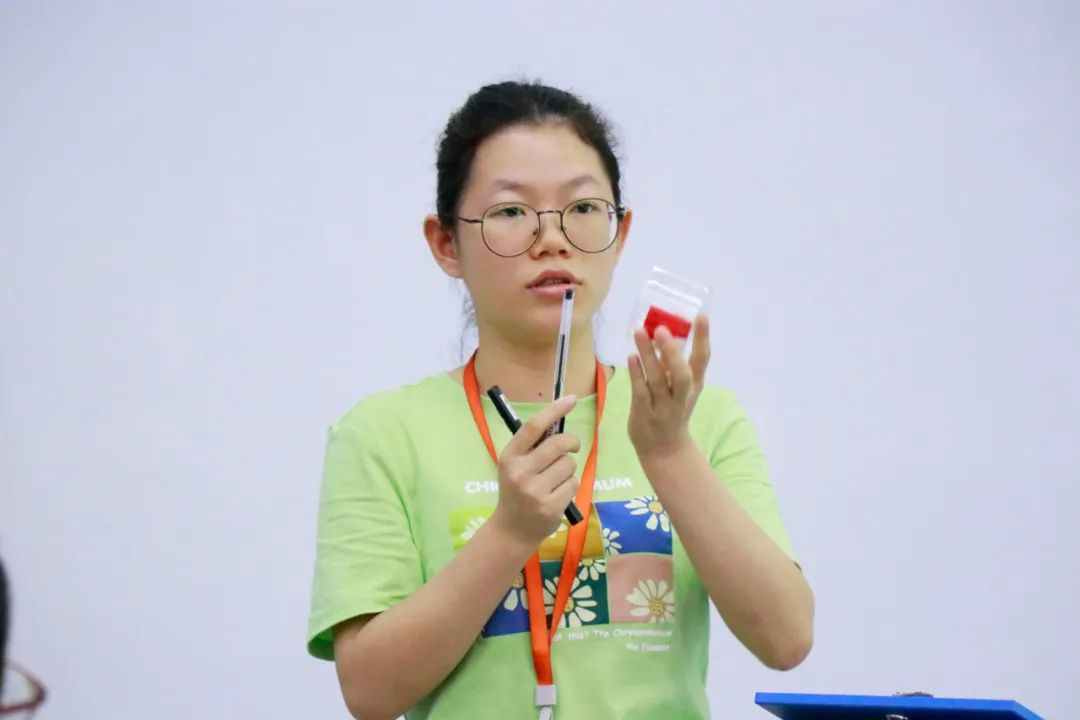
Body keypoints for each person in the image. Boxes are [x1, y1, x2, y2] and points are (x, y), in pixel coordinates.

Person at [307, 80, 815, 720]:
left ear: (620, 232)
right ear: (446, 244)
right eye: (510, 212)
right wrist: (509, 532)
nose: (552, 238)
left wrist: (668, 454)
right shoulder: (384, 432)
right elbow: (370, 693)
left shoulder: (697, 418)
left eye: (583, 207)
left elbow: (785, 639)